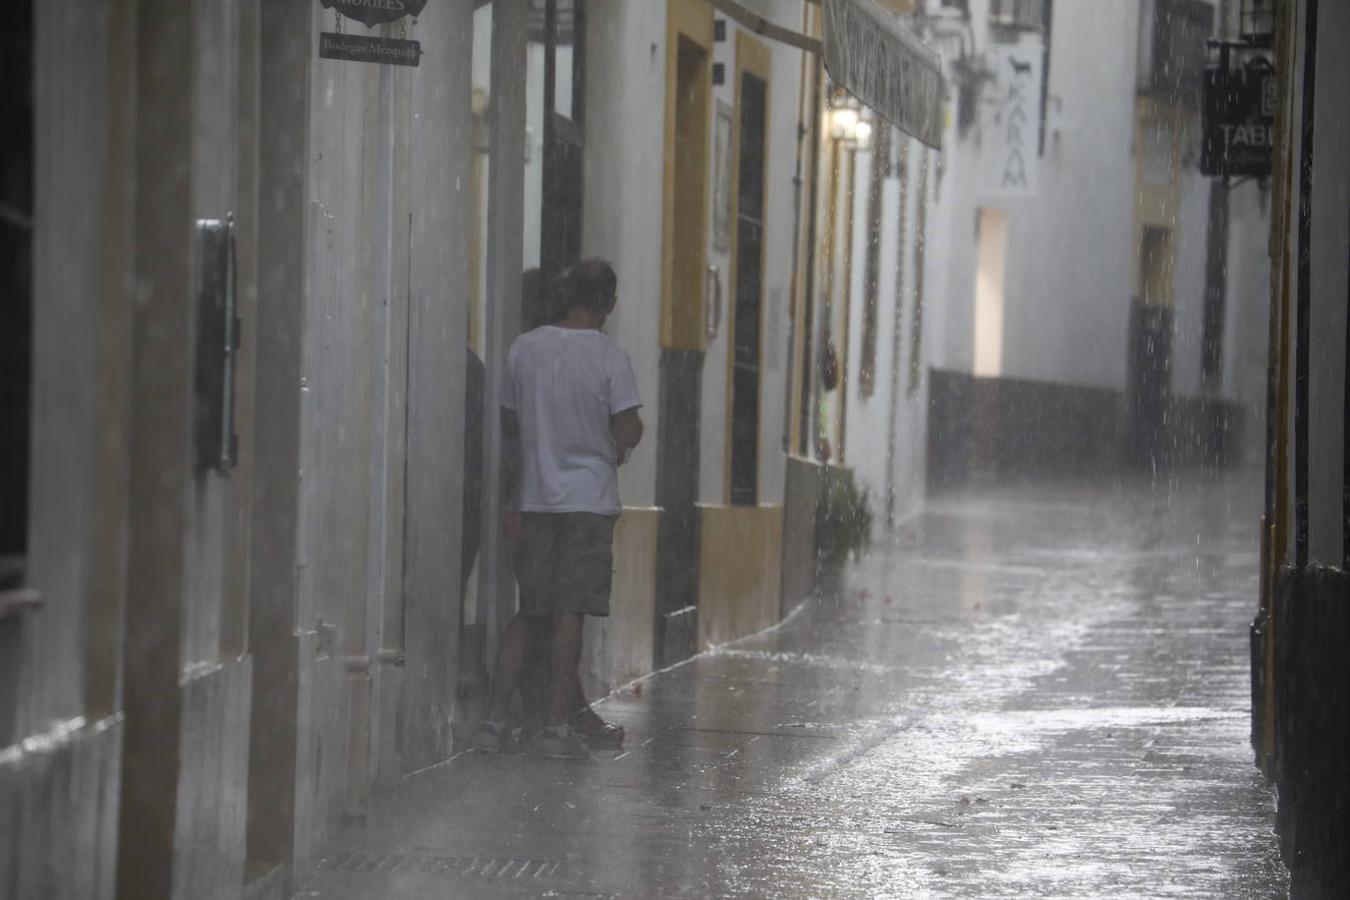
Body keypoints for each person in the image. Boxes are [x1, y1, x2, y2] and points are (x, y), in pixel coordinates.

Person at [475, 259, 643, 758]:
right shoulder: (611, 359)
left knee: (531, 611)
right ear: (609, 304)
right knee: (570, 615)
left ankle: (494, 720)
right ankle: (553, 727)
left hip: (535, 499)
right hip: (587, 503)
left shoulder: (524, 349)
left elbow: (509, 423)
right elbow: (627, 430)